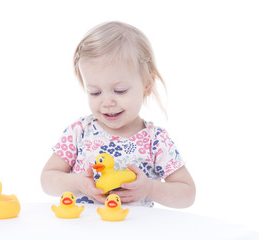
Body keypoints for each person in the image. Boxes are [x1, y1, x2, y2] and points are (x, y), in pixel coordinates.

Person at [41, 21, 195, 208]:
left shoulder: (156, 141)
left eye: (120, 90)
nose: (107, 102)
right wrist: (78, 183)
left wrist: (150, 189)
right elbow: (47, 180)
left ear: (147, 85)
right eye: (95, 92)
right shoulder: (79, 131)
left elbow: (187, 194)